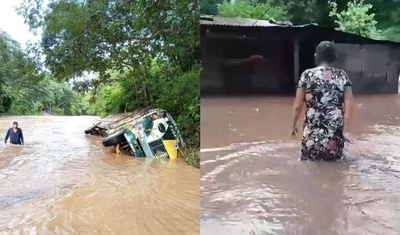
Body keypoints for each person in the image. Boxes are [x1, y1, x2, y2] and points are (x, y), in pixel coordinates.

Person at [291, 41, 354, 161]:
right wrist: (345, 131)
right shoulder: (342, 76)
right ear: (334, 57)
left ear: (316, 56)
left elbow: (297, 105)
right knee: (335, 170)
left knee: (308, 167)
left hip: (312, 134)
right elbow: (349, 106)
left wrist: (294, 125)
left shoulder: (307, 75)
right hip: (334, 134)